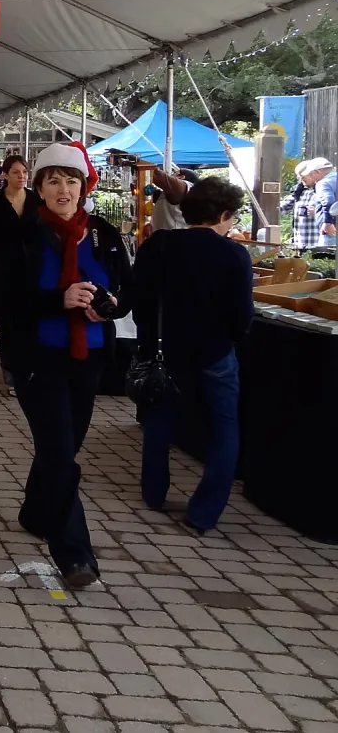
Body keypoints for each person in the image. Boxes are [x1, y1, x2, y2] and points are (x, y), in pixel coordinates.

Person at [0, 142, 131, 588]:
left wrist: (107, 306)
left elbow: (129, 292)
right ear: (38, 187)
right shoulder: (24, 235)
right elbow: (7, 302)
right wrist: (59, 299)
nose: (63, 189)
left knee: (63, 447)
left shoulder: (104, 235)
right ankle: (74, 554)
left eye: (71, 180)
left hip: (88, 359)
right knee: (58, 451)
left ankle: (36, 511)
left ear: (84, 187)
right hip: (39, 360)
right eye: (53, 180)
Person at [133, 177, 252, 534]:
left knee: (158, 421)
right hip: (215, 353)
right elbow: (242, 314)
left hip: (164, 350)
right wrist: (232, 339)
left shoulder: (160, 245)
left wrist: (148, 337)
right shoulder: (233, 254)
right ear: (225, 214)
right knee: (224, 430)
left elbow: (141, 298)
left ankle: (153, 494)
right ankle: (203, 514)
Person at [0, 154, 40, 388]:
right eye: (16, 172)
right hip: (4, 267)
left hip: (31, 268)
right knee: (7, 320)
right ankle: (10, 366)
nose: (21, 176)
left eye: (24, 172)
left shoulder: (36, 200)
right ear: (5, 175)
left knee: (28, 319)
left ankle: (27, 365)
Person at [282, 158, 336, 249]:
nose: (301, 179)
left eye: (303, 176)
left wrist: (324, 219)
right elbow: (284, 206)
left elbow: (329, 204)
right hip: (300, 241)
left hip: (317, 239)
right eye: (299, 177)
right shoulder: (299, 190)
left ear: (315, 173)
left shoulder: (323, 185)